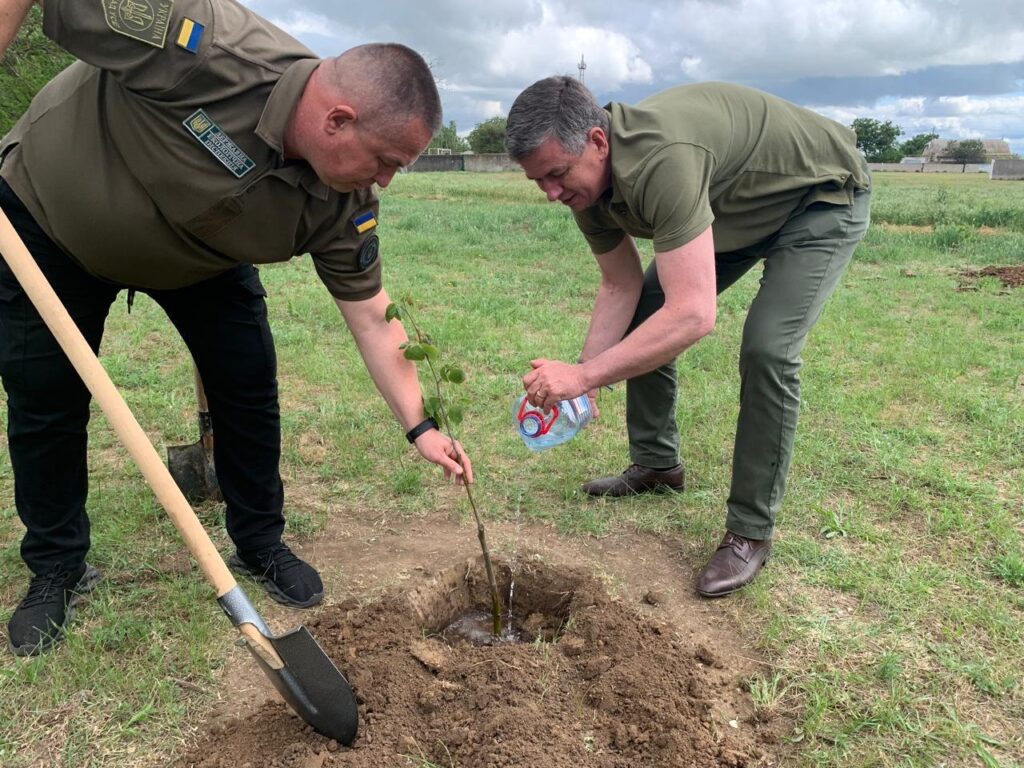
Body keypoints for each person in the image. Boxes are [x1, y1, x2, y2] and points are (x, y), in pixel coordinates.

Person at [0, 0, 472, 656]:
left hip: (201, 256)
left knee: (247, 379)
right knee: (44, 394)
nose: (386, 182)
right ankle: (57, 566)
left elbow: (371, 314)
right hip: (53, 218)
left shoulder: (344, 205)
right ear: (338, 119)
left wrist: (421, 427)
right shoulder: (203, 44)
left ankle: (259, 542)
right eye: (386, 160)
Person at [506, 76, 870, 598]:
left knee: (768, 346)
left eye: (558, 175)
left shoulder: (662, 161)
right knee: (649, 305)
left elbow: (694, 315)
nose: (552, 194)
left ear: (597, 141)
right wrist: (581, 386)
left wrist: (586, 374)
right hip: (735, 209)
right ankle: (657, 465)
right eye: (539, 181)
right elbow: (620, 283)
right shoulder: (586, 193)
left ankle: (750, 531)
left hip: (819, 197)